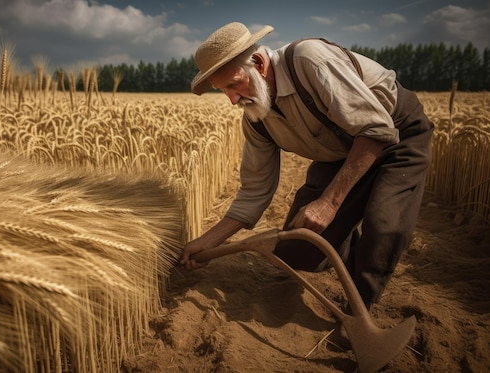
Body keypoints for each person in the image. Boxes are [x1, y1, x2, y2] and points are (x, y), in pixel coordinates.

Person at [179, 22, 434, 309]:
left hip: (395, 138)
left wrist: (329, 203)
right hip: (339, 154)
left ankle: (360, 312)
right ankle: (348, 246)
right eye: (223, 90)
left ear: (259, 64)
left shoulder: (309, 60)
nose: (232, 99)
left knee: (384, 229)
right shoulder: (257, 120)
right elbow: (255, 190)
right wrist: (209, 240)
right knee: (299, 248)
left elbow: (376, 131)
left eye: (234, 84)